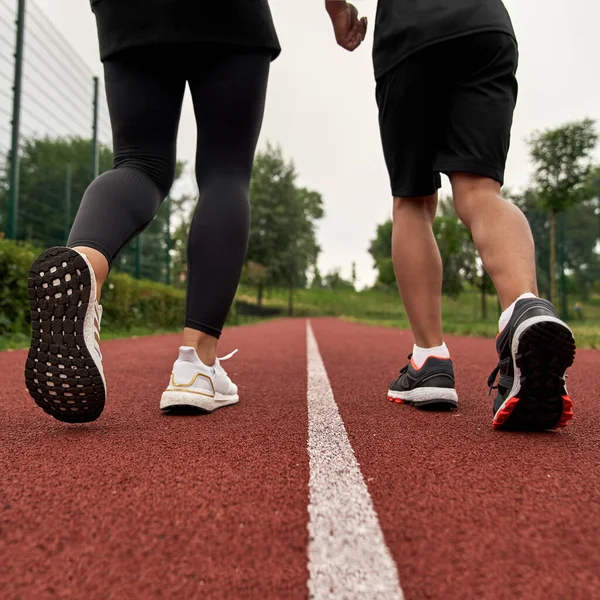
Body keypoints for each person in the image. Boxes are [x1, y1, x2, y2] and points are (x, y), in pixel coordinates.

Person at [24, 1, 280, 423]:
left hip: (130, 11)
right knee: (225, 172)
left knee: (138, 163)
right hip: (232, 17)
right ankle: (196, 367)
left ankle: (85, 264)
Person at [325, 0, 576, 430]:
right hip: (484, 24)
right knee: (480, 192)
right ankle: (526, 308)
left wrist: (337, 12)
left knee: (413, 201)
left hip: (411, 31)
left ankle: (430, 359)